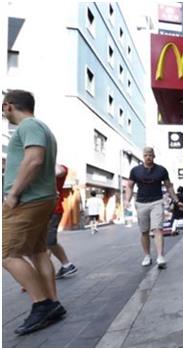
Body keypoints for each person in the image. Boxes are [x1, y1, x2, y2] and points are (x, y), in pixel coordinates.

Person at [2, 89, 66, 335]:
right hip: (41, 198)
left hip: (27, 200)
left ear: (9, 106)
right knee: (39, 252)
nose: (3, 113)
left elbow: (34, 159)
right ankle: (53, 303)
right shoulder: (41, 128)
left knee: (8, 255)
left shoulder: (28, 126)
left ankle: (42, 304)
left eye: (3, 108)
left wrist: (13, 194)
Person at [124, 147, 183, 269]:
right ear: (143, 156)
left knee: (158, 229)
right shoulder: (135, 171)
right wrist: (127, 200)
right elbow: (129, 186)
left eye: (150, 155)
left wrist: (177, 201)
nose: (148, 157)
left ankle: (160, 256)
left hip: (157, 201)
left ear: (154, 156)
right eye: (146, 155)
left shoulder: (161, 170)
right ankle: (147, 256)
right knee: (144, 231)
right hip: (141, 203)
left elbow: (169, 187)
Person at [49, 164, 78, 279]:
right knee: (46, 243)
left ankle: (41, 276)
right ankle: (66, 265)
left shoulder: (58, 167)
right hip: (41, 211)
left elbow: (60, 171)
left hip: (53, 211)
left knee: (48, 242)